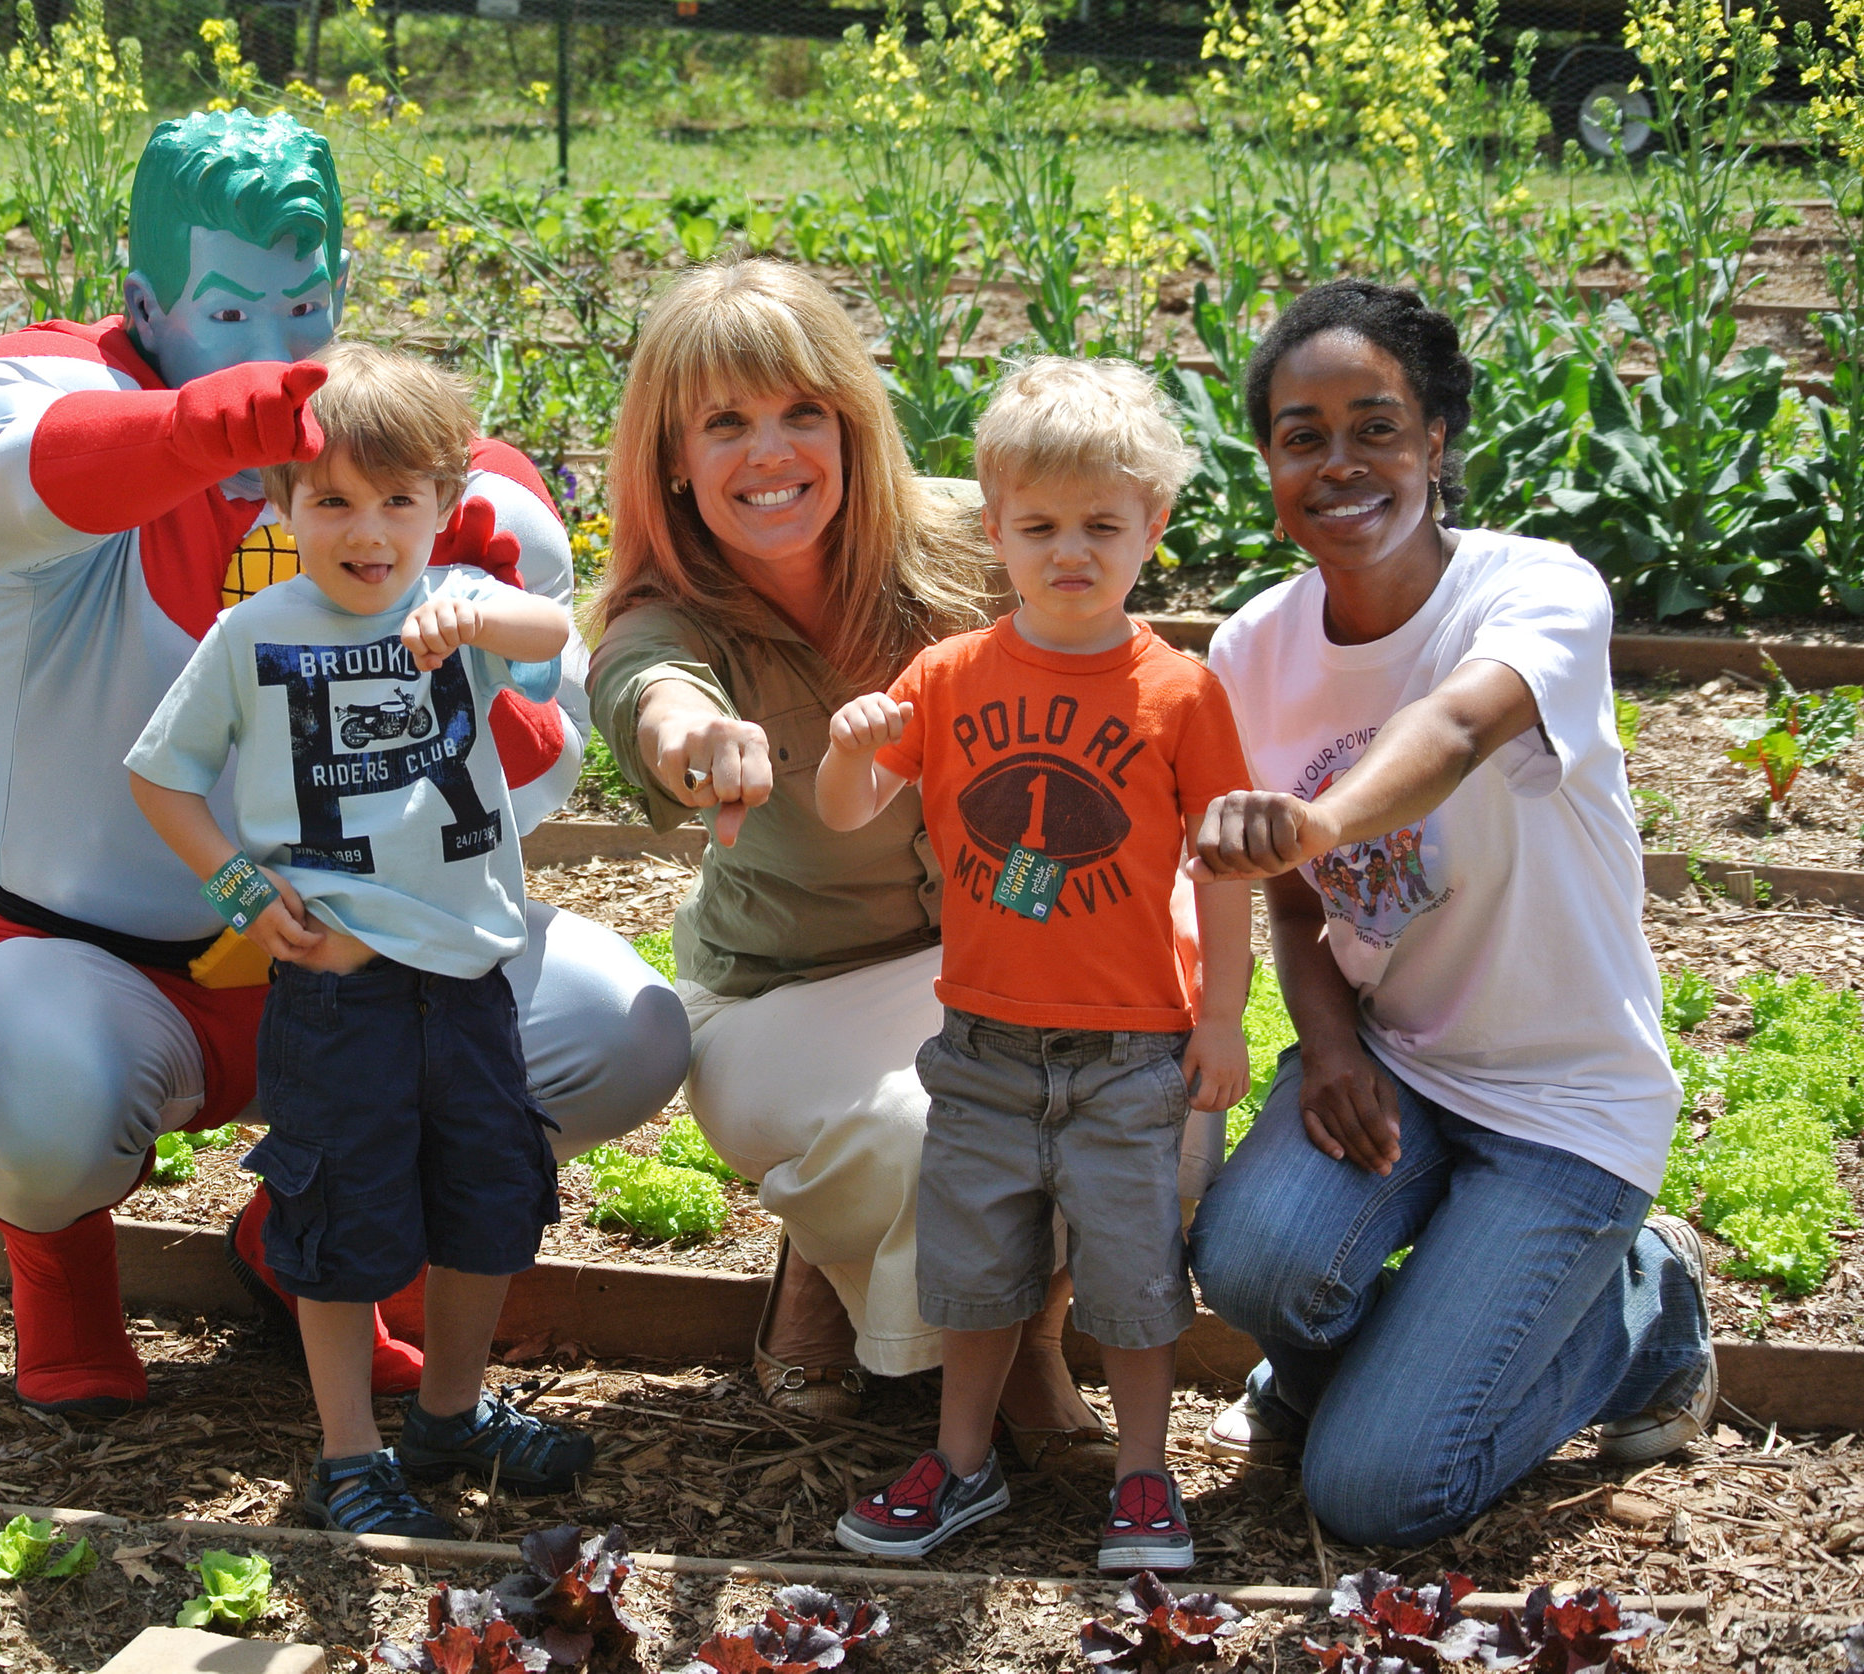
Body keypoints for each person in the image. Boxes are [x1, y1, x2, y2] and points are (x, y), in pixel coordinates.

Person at [0, 110, 689, 1417]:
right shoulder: (36, 401)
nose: (281, 363)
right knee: (45, 1101)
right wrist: (216, 428)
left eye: (307, 310)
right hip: (105, 964)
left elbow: (532, 773)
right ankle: (63, 1282)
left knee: (621, 1030)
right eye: (229, 315)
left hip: (371, 971)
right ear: (147, 308)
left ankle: (311, 1239)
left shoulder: (459, 498)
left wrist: (470, 679)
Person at [1186, 278, 1714, 1548]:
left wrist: (1313, 819)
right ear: (1265, 460)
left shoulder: (1534, 591)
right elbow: (1302, 911)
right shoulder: (1251, 651)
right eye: (1300, 435)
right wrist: (1326, 1046)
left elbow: (1457, 727)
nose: (1339, 462)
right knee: (1250, 1260)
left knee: (1376, 1495)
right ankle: (1363, 1368)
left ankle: (1643, 1313)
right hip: (1402, 1067)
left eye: (1376, 425)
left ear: (1436, 441)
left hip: (1566, 1104)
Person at [586, 259, 1112, 1454]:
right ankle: (918, 1305)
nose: (771, 454)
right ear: (674, 455)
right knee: (936, 1128)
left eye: (800, 413)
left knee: (1136, 1075)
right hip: (777, 1007)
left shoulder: (972, 553)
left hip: (976, 966)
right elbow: (645, 693)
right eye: (725, 424)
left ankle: (945, 1308)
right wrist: (697, 739)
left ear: (849, 419)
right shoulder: (666, 618)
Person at [127, 343, 592, 1536]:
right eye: (331, 499)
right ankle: (348, 1453)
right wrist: (241, 890)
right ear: (282, 503)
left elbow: (549, 633)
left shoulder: (462, 617)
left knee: (490, 1199)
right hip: (339, 996)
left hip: (471, 981)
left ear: (445, 505)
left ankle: (449, 1415)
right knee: (336, 1222)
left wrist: (482, 600)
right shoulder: (254, 635)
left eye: (399, 500)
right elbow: (163, 779)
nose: (366, 528)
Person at [815, 358, 1253, 1569]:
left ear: (1150, 530)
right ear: (995, 531)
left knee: (1132, 1275)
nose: (1071, 551)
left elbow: (1224, 874)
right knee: (973, 1269)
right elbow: (849, 809)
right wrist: (852, 747)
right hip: (986, 1044)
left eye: (1101, 526)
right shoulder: (951, 677)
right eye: (1040, 526)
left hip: (1131, 1052)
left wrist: (1221, 1018)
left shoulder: (1180, 692)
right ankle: (961, 1468)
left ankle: (1144, 1475)